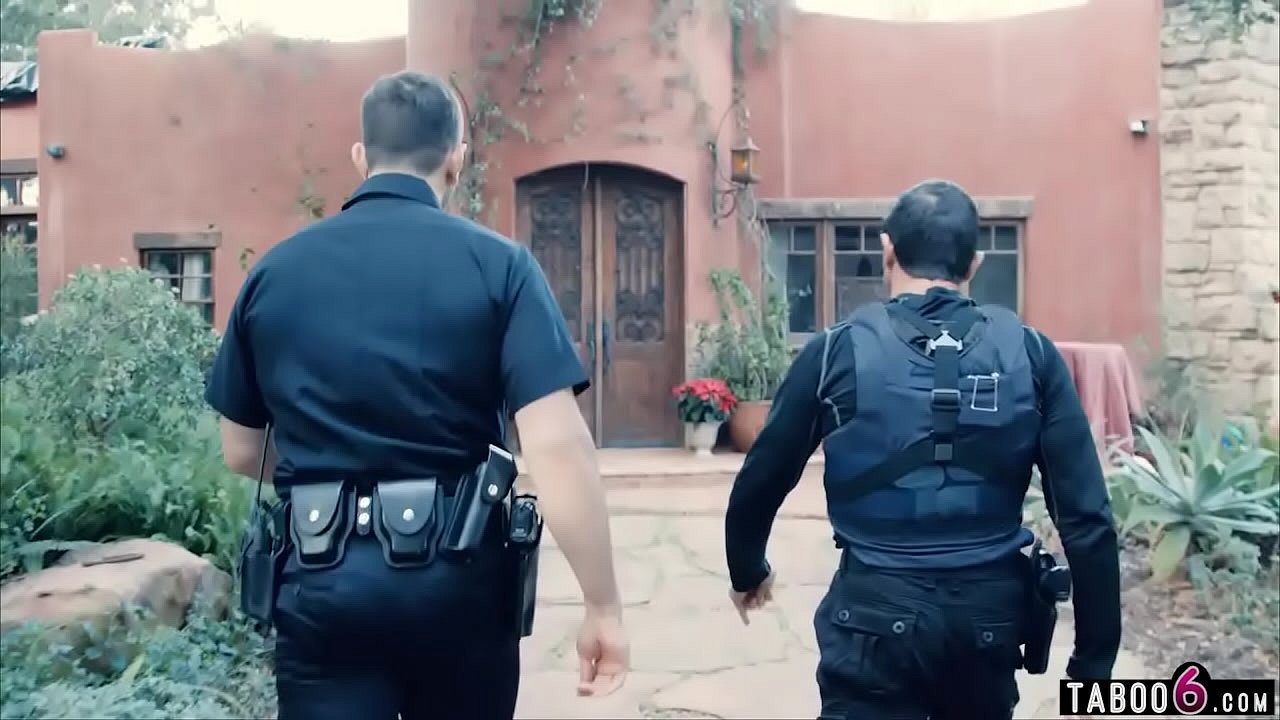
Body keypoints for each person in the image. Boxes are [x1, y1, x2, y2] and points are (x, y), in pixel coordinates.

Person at [206, 70, 629, 720]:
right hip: (460, 585)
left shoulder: (274, 272)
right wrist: (603, 606)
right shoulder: (500, 267)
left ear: (360, 156)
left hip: (322, 583)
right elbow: (558, 446)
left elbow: (241, 450)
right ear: (457, 157)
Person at [723, 180, 1121, 719]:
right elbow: (1087, 519)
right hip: (986, 627)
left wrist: (748, 569)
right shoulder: (1031, 355)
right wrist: (1093, 666)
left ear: (887, 249)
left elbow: (763, 475)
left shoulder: (834, 351)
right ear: (974, 263)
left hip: (870, 624)